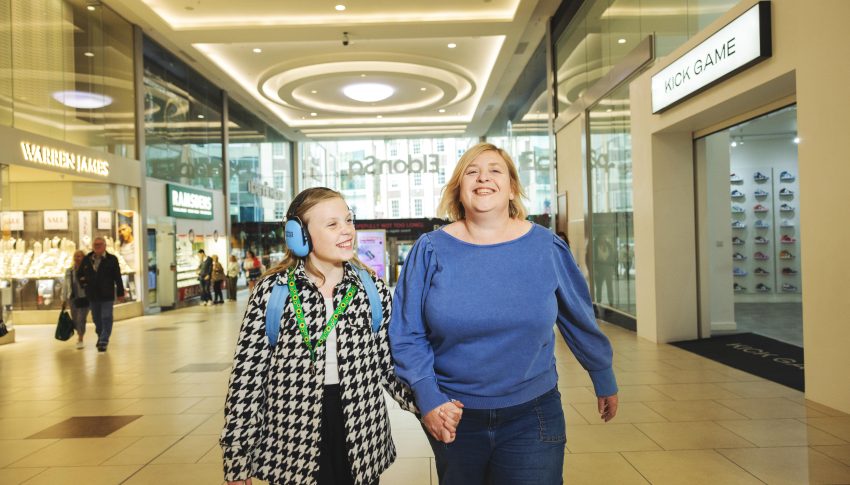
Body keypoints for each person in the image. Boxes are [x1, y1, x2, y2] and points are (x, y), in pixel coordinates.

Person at [390, 142, 619, 484]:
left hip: (533, 414)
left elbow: (578, 316)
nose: (483, 178)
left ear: (512, 187)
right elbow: (407, 332)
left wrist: (602, 373)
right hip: (452, 414)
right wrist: (428, 398)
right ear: (459, 189)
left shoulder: (546, 247)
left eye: (495, 170)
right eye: (472, 171)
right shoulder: (429, 250)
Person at [221, 187, 419, 485]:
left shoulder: (370, 289)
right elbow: (247, 380)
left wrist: (430, 407)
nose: (347, 231)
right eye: (333, 224)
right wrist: (237, 458)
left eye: (349, 221)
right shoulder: (274, 292)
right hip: (292, 437)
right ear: (298, 235)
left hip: (361, 431)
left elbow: (390, 368)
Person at [79, 236, 125, 352]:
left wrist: (120, 292)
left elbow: (117, 277)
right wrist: (84, 285)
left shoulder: (112, 259)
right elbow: (79, 274)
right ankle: (101, 335)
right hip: (93, 295)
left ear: (105, 246)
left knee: (106, 316)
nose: (97, 247)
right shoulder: (87, 259)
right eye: (95, 245)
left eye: (100, 245)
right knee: (96, 318)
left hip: (107, 294)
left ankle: (104, 340)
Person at [61, 250, 89, 350]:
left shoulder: (88, 270)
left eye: (80, 256)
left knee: (81, 318)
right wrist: (64, 299)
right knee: (75, 319)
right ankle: (79, 332)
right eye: (76, 256)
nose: (78, 258)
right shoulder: (69, 271)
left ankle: (80, 338)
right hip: (73, 298)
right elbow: (65, 285)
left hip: (84, 297)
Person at [593, 235, 616, 305]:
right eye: (601, 238)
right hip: (599, 270)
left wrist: (613, 268)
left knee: (610, 286)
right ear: (598, 239)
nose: (602, 240)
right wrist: (594, 270)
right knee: (599, 287)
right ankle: (598, 302)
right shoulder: (594, 247)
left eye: (603, 238)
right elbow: (591, 258)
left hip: (608, 269)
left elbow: (613, 257)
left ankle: (611, 302)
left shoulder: (609, 246)